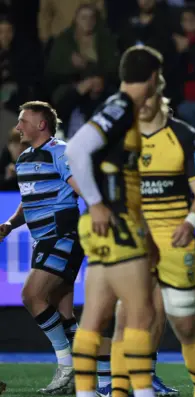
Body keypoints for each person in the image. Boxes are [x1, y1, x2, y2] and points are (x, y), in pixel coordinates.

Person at [64, 45, 163, 397]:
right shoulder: (121, 107)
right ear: (152, 77)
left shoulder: (117, 107)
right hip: (116, 223)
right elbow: (75, 150)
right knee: (141, 314)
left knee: (94, 317)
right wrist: (97, 203)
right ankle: (143, 392)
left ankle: (86, 393)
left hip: (108, 226)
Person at [0, 102, 83, 395]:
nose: (18, 126)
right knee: (63, 312)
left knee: (31, 295)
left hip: (63, 237)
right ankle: (89, 371)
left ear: (41, 125)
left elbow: (83, 186)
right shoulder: (24, 160)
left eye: (23, 121)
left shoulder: (60, 152)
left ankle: (67, 365)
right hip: (42, 241)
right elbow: (28, 201)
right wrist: (9, 225)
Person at [136, 88, 195, 397]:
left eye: (147, 98)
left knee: (184, 325)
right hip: (138, 244)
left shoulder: (183, 134)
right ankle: (130, 386)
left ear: (160, 98)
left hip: (175, 242)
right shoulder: (122, 138)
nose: (141, 105)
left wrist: (190, 223)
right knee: (136, 316)